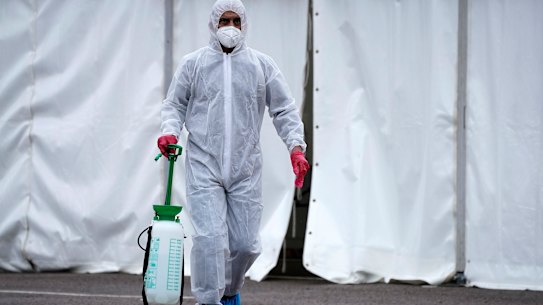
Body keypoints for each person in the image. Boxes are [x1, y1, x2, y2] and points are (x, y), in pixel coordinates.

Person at [157, 1, 309, 304]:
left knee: (247, 244)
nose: (230, 27)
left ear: (244, 24)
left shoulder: (261, 65)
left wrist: (295, 147)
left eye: (236, 21)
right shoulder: (194, 64)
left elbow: (284, 109)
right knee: (209, 241)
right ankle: (207, 301)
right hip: (204, 164)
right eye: (224, 20)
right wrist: (169, 131)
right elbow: (175, 104)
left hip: (246, 167)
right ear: (213, 24)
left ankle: (228, 290)